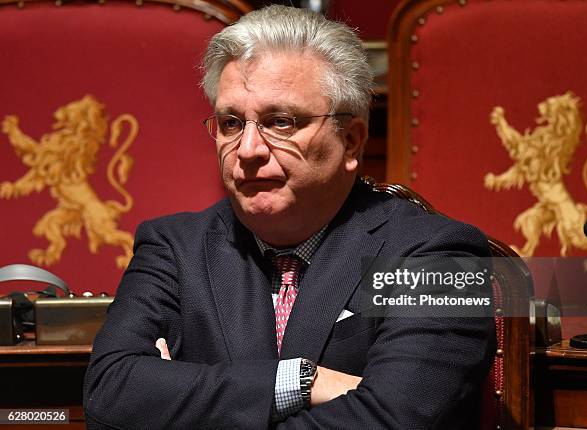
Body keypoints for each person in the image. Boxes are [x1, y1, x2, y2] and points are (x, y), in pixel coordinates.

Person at [83, 5, 495, 429]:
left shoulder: (441, 256)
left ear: (350, 141)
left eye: (279, 122)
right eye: (230, 123)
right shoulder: (172, 248)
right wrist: (301, 381)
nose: (247, 151)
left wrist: (181, 404)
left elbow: (394, 418)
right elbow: (110, 394)